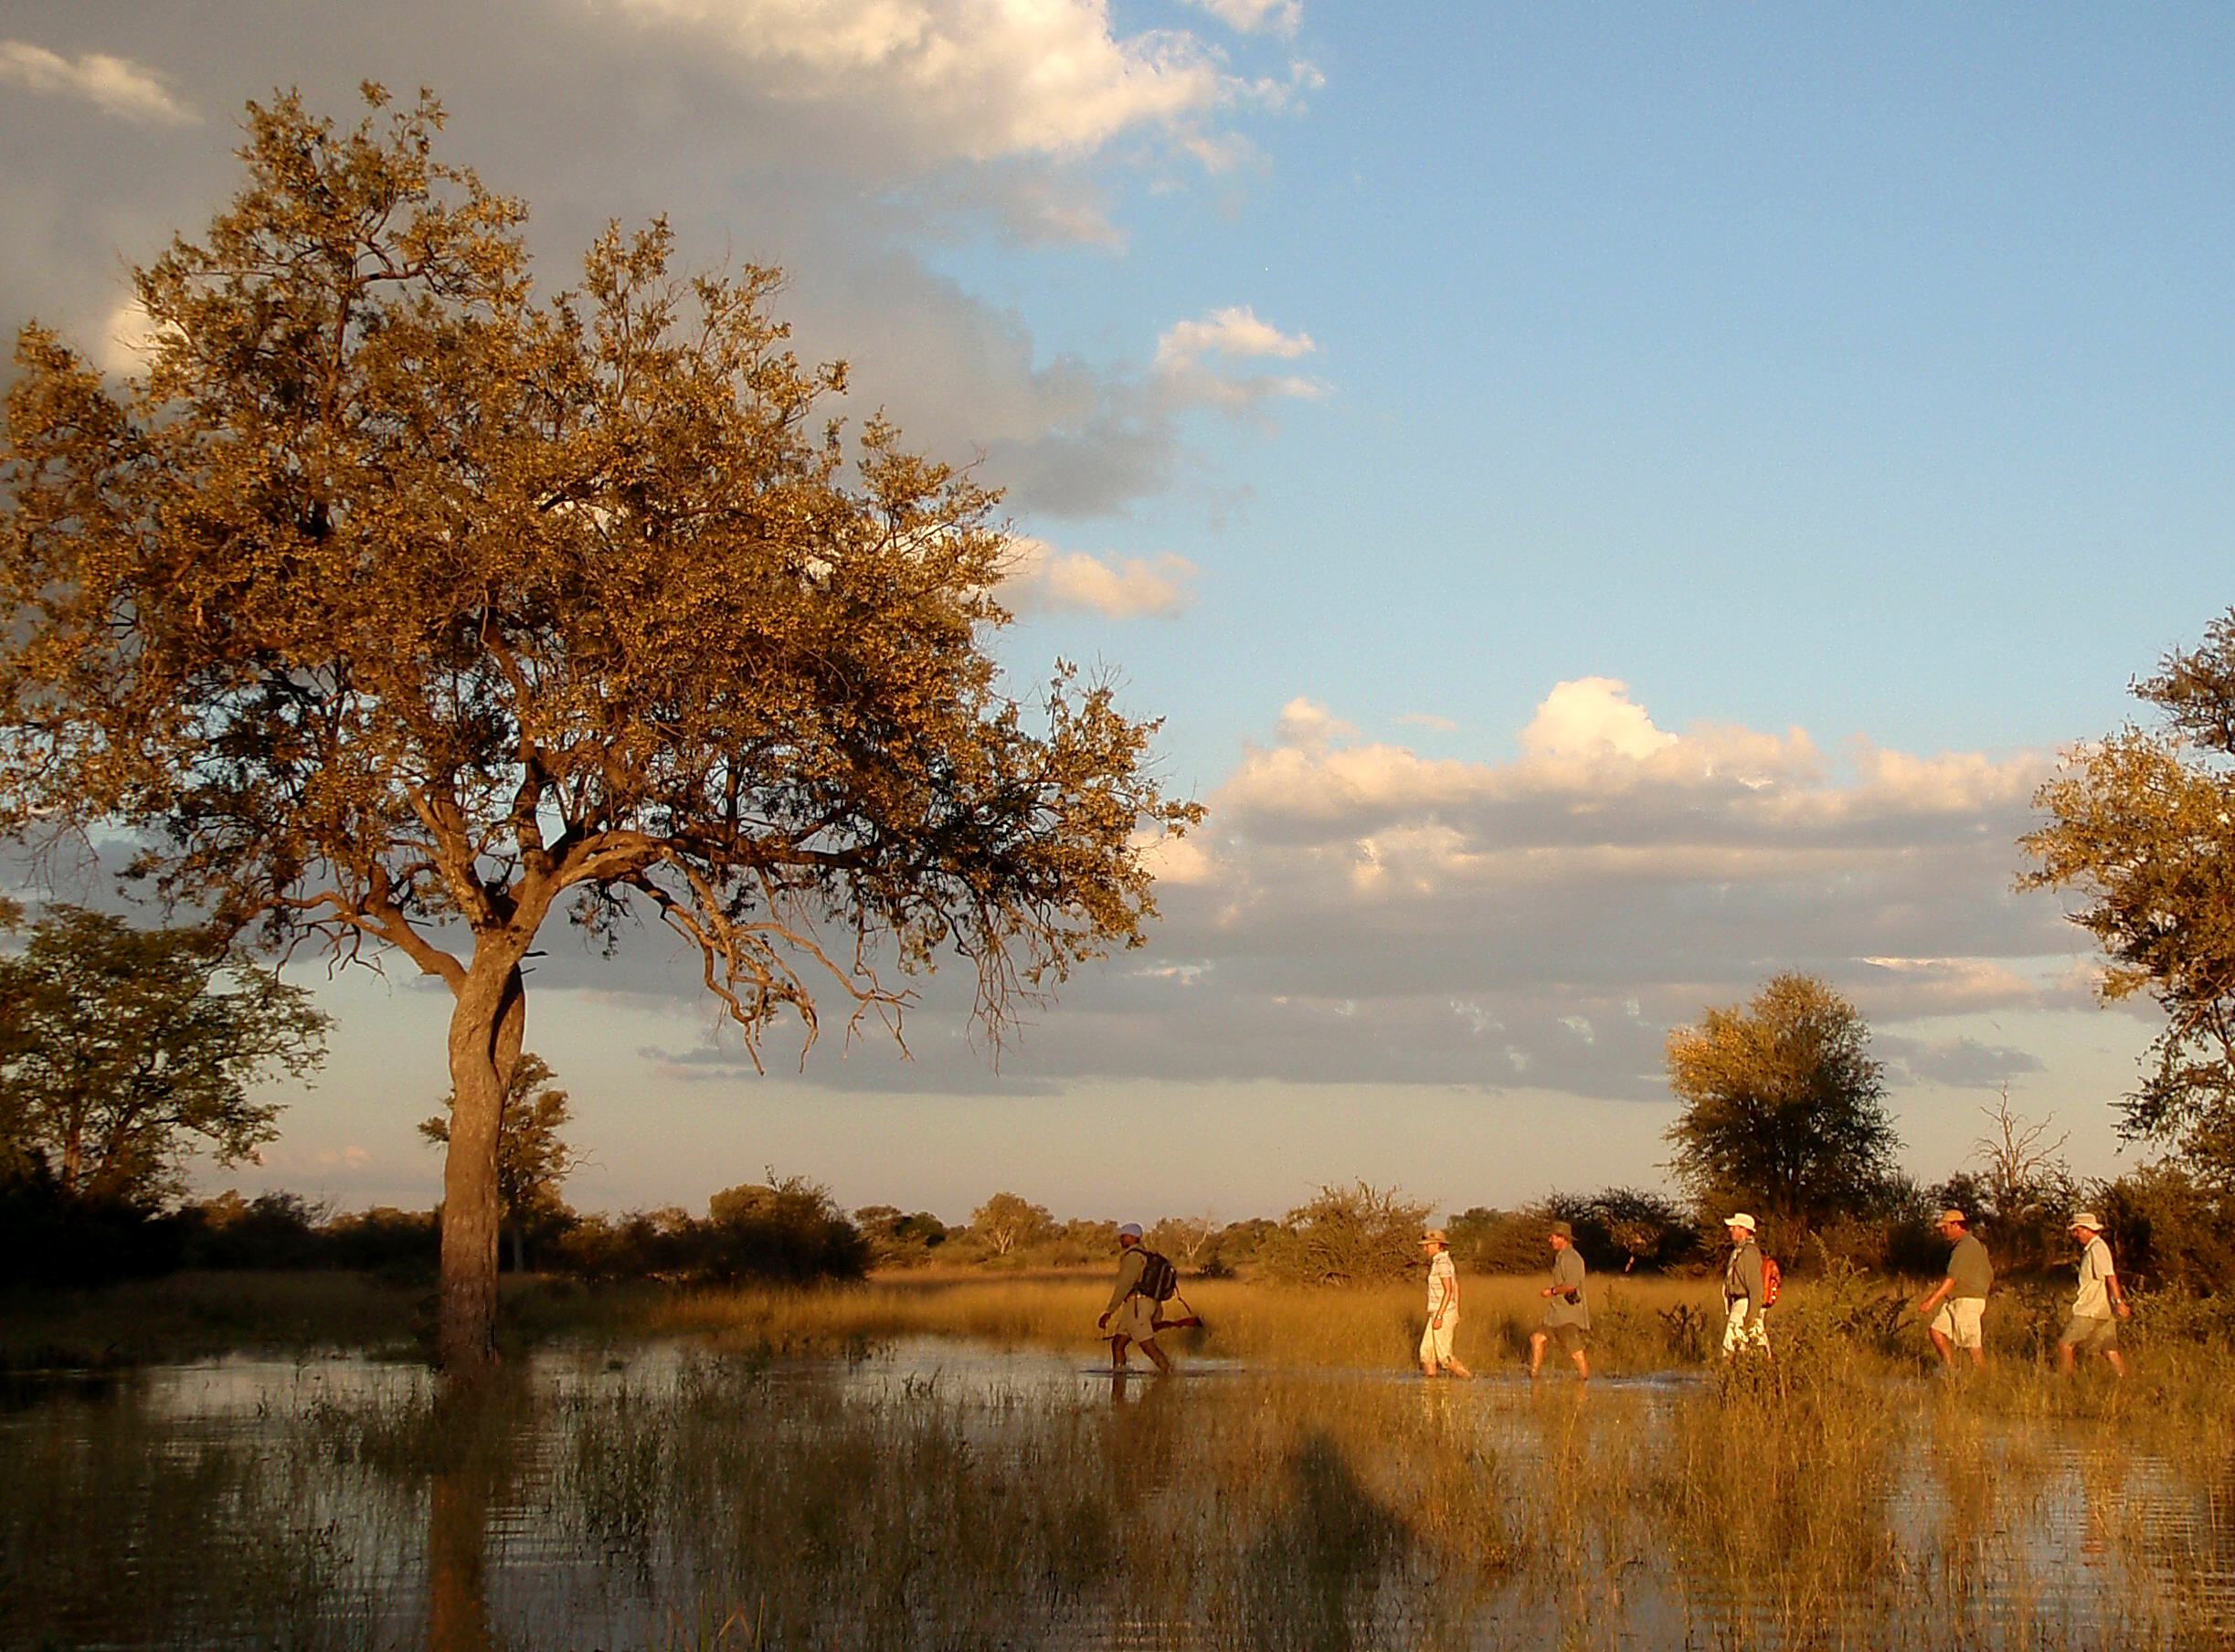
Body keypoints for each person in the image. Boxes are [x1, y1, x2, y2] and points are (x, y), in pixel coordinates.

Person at [1912, 1208, 1992, 1371]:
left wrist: (1930, 1302)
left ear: (1956, 1225)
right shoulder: (1970, 1245)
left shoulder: (1965, 1247)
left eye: (1945, 1227)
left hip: (1967, 1300)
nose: (1943, 1231)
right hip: (1957, 1299)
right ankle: (1949, 1369)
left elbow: (1951, 1279)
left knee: (1972, 1344)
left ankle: (1983, 1378)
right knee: (1936, 1330)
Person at [2056, 1212, 2130, 1378]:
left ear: (2085, 1230)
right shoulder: (2096, 1248)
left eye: (2077, 1230)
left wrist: (2119, 1302)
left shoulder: (2097, 1249)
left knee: (2065, 1344)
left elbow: (2110, 1276)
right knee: (2109, 1348)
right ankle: (2123, 1379)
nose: (2075, 1235)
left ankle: (2064, 1381)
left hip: (2091, 1309)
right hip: (2104, 1309)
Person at [1097, 1223, 1173, 1374]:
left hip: (1138, 1307)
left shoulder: (1132, 1257)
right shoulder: (1145, 1255)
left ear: (1132, 1237)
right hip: (1138, 1305)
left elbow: (1124, 1285)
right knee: (1118, 1344)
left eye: (1123, 1236)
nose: (1121, 1239)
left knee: (1147, 1345)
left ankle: (1168, 1373)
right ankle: (1119, 1379)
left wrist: (1109, 1312)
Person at [1529, 1219, 1591, 1381]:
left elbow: (1571, 1285)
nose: (1550, 1240)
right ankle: (1533, 1377)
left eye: (1553, 1237)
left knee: (1575, 1352)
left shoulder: (1571, 1258)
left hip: (1568, 1314)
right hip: (1556, 1313)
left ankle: (1584, 1381)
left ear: (1563, 1238)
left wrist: (1551, 1291)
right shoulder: (1561, 1257)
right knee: (1537, 1338)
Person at [1417, 1228, 1472, 1378]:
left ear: (1437, 1245)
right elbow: (1456, 1286)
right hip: (1437, 1311)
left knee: (1444, 1357)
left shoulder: (1442, 1263)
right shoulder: (1438, 1262)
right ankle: (1431, 1388)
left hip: (1443, 1313)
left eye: (1428, 1245)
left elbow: (1449, 1290)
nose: (1425, 1248)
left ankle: (1469, 1381)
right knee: (1427, 1353)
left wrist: (1440, 1316)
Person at [1721, 1213, 1771, 1357]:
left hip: (1746, 1306)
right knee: (1752, 1348)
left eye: (1734, 1227)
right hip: (1743, 1306)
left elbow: (1756, 1287)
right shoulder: (1741, 1251)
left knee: (1730, 1349)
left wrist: (1751, 1316)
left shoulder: (1749, 1253)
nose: (1730, 1230)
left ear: (1744, 1229)